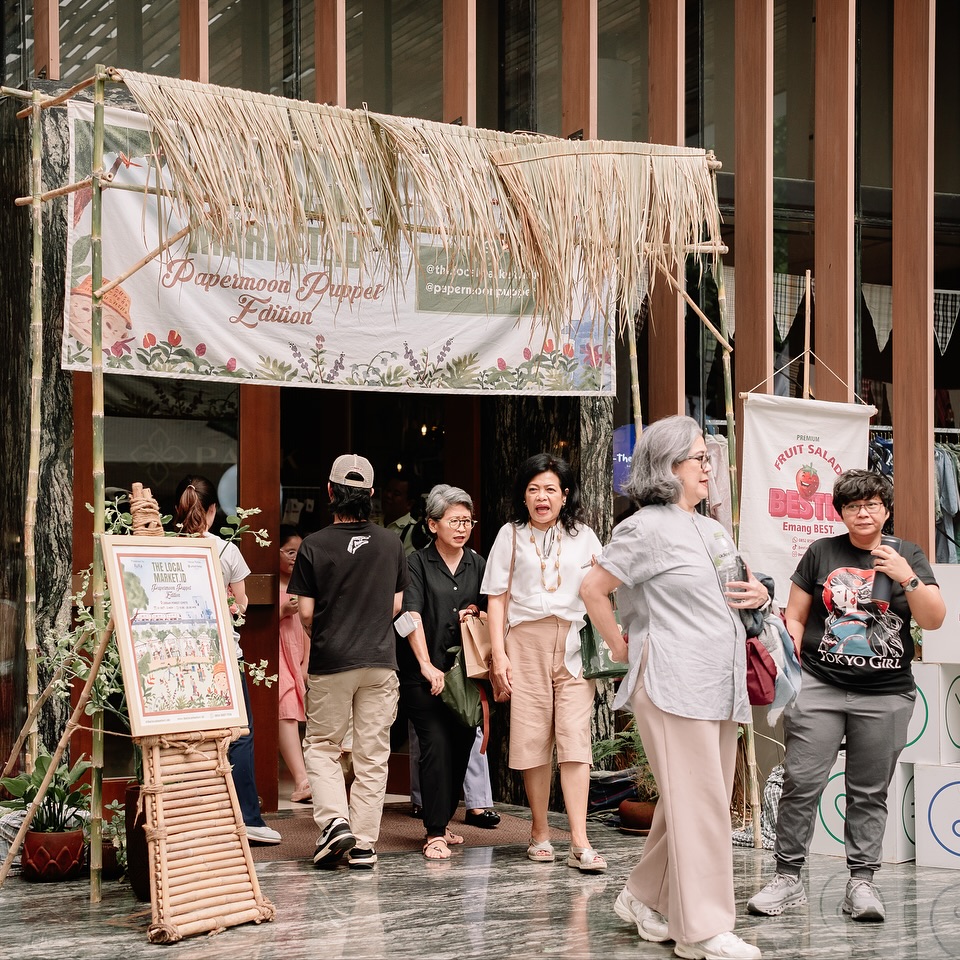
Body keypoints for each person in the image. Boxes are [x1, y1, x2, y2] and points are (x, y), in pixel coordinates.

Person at [579, 415, 767, 959]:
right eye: (700, 458)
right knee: (702, 806)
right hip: (672, 681)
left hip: (720, 683)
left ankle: (643, 897)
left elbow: (731, 591)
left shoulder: (711, 528)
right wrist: (620, 645)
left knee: (694, 802)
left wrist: (758, 594)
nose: (709, 467)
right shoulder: (645, 528)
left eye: (709, 458)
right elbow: (593, 588)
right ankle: (701, 930)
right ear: (667, 466)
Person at [747, 469, 944, 923]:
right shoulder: (822, 551)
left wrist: (906, 577)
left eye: (872, 504)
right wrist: (792, 661)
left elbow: (933, 620)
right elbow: (797, 616)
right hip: (821, 685)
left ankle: (861, 883)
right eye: (854, 506)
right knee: (801, 781)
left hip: (886, 693)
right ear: (841, 513)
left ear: (886, 510)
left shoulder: (908, 553)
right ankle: (787, 877)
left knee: (868, 791)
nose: (863, 513)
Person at [482, 453, 605, 872]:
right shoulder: (510, 534)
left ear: (565, 495)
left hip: (573, 641)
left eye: (551, 489)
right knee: (533, 737)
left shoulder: (585, 537)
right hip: (525, 642)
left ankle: (579, 840)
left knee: (575, 740)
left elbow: (603, 588)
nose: (542, 497)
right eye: (534, 489)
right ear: (524, 495)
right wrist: (499, 655)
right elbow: (496, 598)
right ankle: (539, 831)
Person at [287, 454, 408, 870]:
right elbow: (396, 605)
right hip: (380, 660)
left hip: (331, 660)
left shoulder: (314, 545)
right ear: (371, 494)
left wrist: (323, 633)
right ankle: (364, 845)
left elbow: (305, 612)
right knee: (372, 755)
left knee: (322, 746)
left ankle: (335, 822)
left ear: (330, 491)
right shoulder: (392, 543)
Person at [172, 475, 281, 846]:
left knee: (186, 739)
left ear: (177, 510)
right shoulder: (225, 551)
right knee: (239, 735)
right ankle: (247, 818)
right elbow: (241, 605)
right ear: (214, 510)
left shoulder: (166, 548)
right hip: (221, 658)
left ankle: (191, 820)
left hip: (177, 660)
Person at [399, 484, 488, 859]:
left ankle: (444, 820)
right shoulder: (416, 563)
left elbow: (491, 610)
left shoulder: (478, 565)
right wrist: (425, 663)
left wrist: (478, 613)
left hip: (464, 679)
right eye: (454, 521)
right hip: (424, 676)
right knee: (435, 745)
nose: (462, 528)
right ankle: (434, 831)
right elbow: (411, 614)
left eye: (467, 521)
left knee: (461, 748)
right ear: (433, 524)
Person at [277, 525, 311, 804]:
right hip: (277, 657)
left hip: (298, 657)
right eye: (290, 552)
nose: (295, 558)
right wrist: (282, 610)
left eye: (299, 553)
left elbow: (310, 625)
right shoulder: (264, 584)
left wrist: (307, 663)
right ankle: (302, 780)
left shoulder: (303, 585)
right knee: (287, 712)